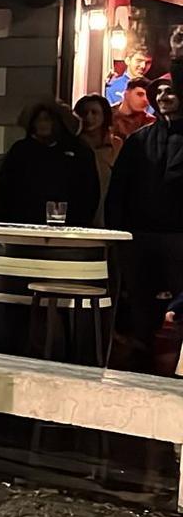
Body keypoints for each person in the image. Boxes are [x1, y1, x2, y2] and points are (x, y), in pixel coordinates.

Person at [107, 79, 183, 373]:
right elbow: (119, 189)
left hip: (178, 237)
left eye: (170, 92)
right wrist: (118, 232)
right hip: (139, 236)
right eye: (159, 93)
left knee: (177, 310)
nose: (163, 97)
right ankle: (140, 368)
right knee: (140, 306)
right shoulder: (139, 140)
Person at [0, 101, 99, 226]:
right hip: (23, 224)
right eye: (38, 120)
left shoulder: (78, 151)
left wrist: (79, 223)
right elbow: (5, 190)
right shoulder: (21, 151)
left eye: (47, 119)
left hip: (67, 226)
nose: (42, 124)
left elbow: (89, 192)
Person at [75, 94, 119, 210]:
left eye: (94, 112)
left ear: (104, 116)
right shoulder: (73, 147)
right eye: (84, 113)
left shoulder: (116, 145)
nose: (88, 117)